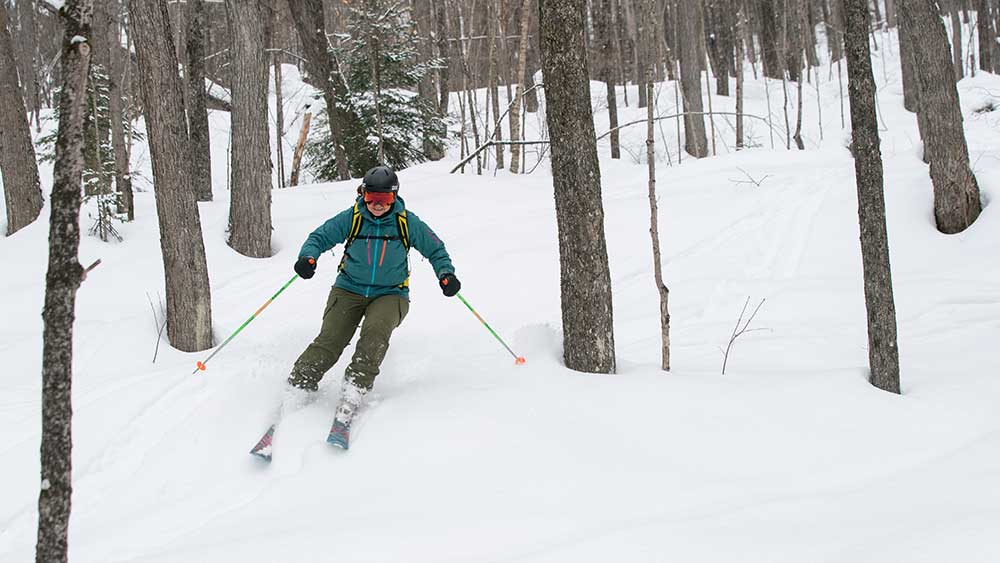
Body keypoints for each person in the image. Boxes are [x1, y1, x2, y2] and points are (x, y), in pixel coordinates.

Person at [284, 165, 460, 426]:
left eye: (384, 199)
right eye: (371, 198)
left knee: (375, 332)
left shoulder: (407, 222)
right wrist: (308, 257)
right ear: (363, 195)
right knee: (331, 339)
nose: (377, 205)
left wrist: (446, 274)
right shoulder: (353, 217)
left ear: (394, 197)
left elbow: (436, 249)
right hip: (348, 288)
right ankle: (299, 384)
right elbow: (320, 237)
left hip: (391, 293)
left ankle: (355, 387)